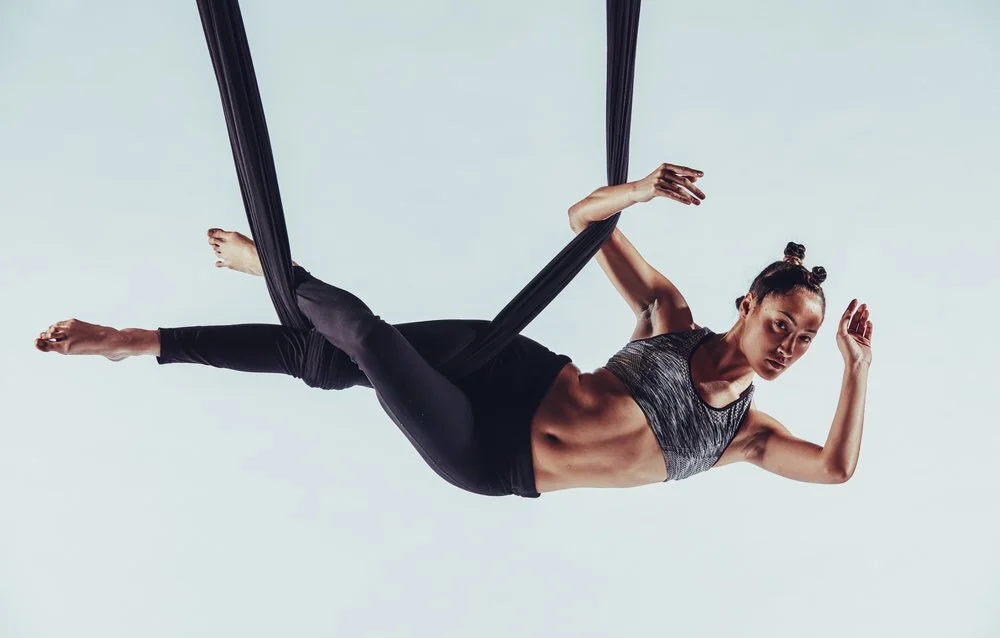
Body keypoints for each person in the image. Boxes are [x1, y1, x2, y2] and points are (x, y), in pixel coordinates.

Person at [34, 162, 873, 498]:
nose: (790, 346)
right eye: (783, 323)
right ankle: (138, 339)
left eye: (805, 340)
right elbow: (583, 220)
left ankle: (274, 272)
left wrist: (855, 367)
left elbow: (834, 468)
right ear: (749, 306)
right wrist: (640, 189)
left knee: (356, 340)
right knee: (330, 356)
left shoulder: (748, 435)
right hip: (515, 364)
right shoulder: (671, 317)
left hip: (490, 455)